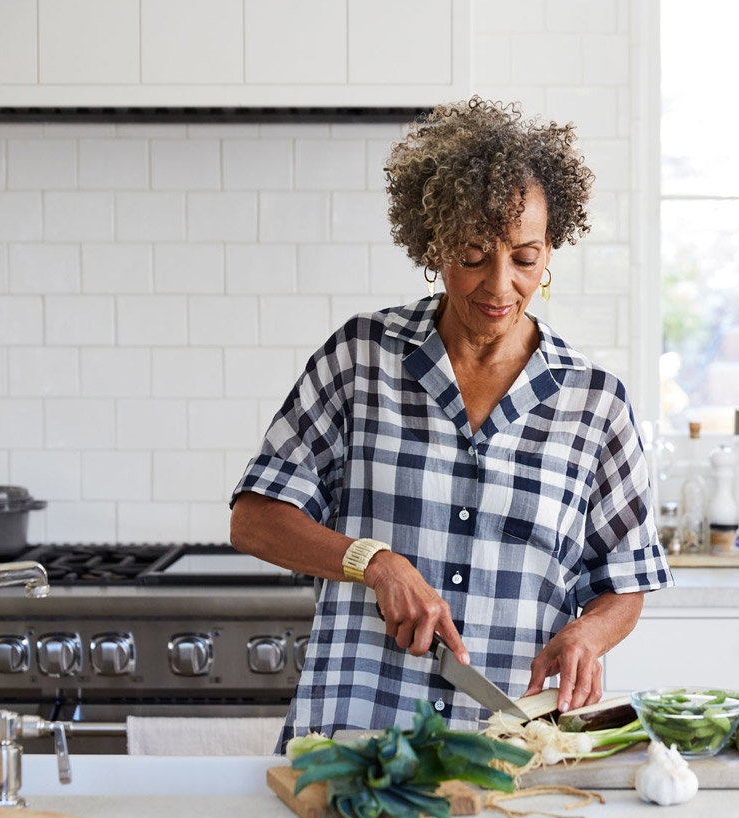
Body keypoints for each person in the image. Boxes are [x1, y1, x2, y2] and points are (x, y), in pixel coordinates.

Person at [229, 97, 672, 746]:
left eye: (524, 257)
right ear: (434, 246)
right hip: (355, 738)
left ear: (550, 249)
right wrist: (372, 561)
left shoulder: (595, 404)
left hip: (506, 749)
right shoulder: (362, 359)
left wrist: (587, 635)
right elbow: (255, 520)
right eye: (472, 254)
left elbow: (624, 584)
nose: (498, 286)